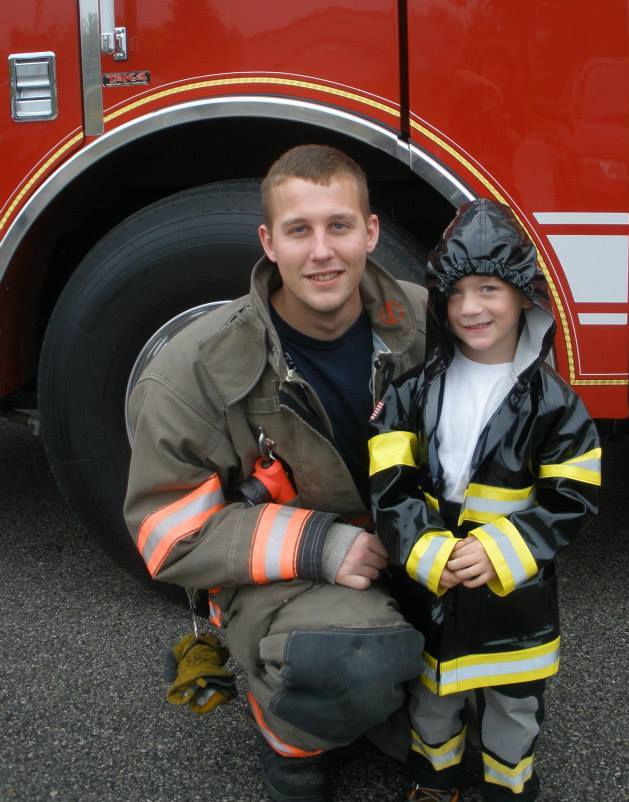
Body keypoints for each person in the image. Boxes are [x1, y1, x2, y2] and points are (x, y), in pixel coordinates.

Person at [124, 144, 427, 802]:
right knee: (353, 664)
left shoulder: (423, 323)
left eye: (339, 226)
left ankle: (409, 690)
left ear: (371, 232)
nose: (322, 251)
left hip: (412, 547)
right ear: (269, 241)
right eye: (299, 230)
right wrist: (321, 544)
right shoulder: (193, 370)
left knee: (505, 657)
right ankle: (291, 737)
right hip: (289, 574)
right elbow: (166, 531)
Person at [368, 198, 601, 802]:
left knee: (514, 703)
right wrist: (424, 548)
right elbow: (390, 486)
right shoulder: (410, 393)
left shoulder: (556, 405)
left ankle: (508, 787)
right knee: (434, 696)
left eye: (489, 289)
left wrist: (504, 548)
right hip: (435, 581)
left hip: (514, 595)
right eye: (456, 293)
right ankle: (432, 779)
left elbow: (572, 495)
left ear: (524, 295)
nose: (470, 308)